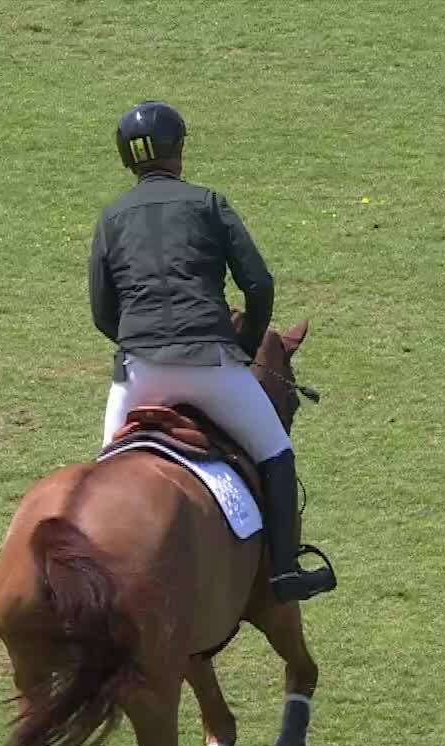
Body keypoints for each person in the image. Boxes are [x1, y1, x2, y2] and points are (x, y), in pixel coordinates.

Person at [89, 100, 335, 603]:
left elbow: (101, 312)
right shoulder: (208, 204)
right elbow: (259, 285)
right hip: (210, 367)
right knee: (276, 452)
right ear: (178, 150)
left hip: (138, 376)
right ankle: (285, 573)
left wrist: (141, 343)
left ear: (127, 159)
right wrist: (243, 347)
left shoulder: (111, 218)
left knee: (101, 476)